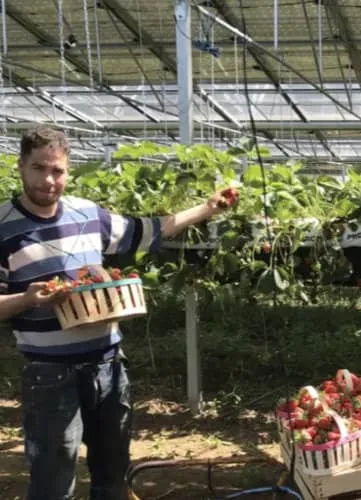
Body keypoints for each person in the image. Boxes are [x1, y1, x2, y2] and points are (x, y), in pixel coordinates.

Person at [0, 126, 236, 500]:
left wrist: (207, 208)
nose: (48, 180)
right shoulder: (3, 227)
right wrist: (28, 299)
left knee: (113, 473)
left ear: (69, 169)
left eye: (57, 171)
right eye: (39, 168)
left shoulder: (89, 215)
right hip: (49, 373)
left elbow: (150, 231)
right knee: (53, 478)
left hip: (108, 366)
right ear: (21, 167)